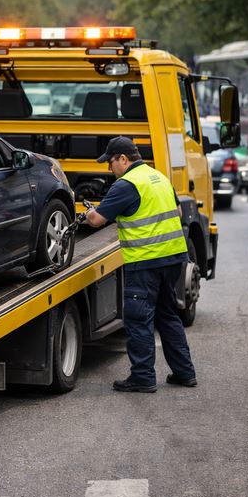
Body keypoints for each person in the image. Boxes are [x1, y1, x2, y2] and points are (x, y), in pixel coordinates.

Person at [82, 136, 197, 393]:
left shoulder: (126, 184)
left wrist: (88, 213)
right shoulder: (158, 177)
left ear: (123, 159)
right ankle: (184, 372)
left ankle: (143, 377)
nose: (109, 169)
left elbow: (98, 220)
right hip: (173, 258)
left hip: (145, 261)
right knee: (167, 315)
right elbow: (177, 214)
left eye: (110, 163)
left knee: (138, 318)